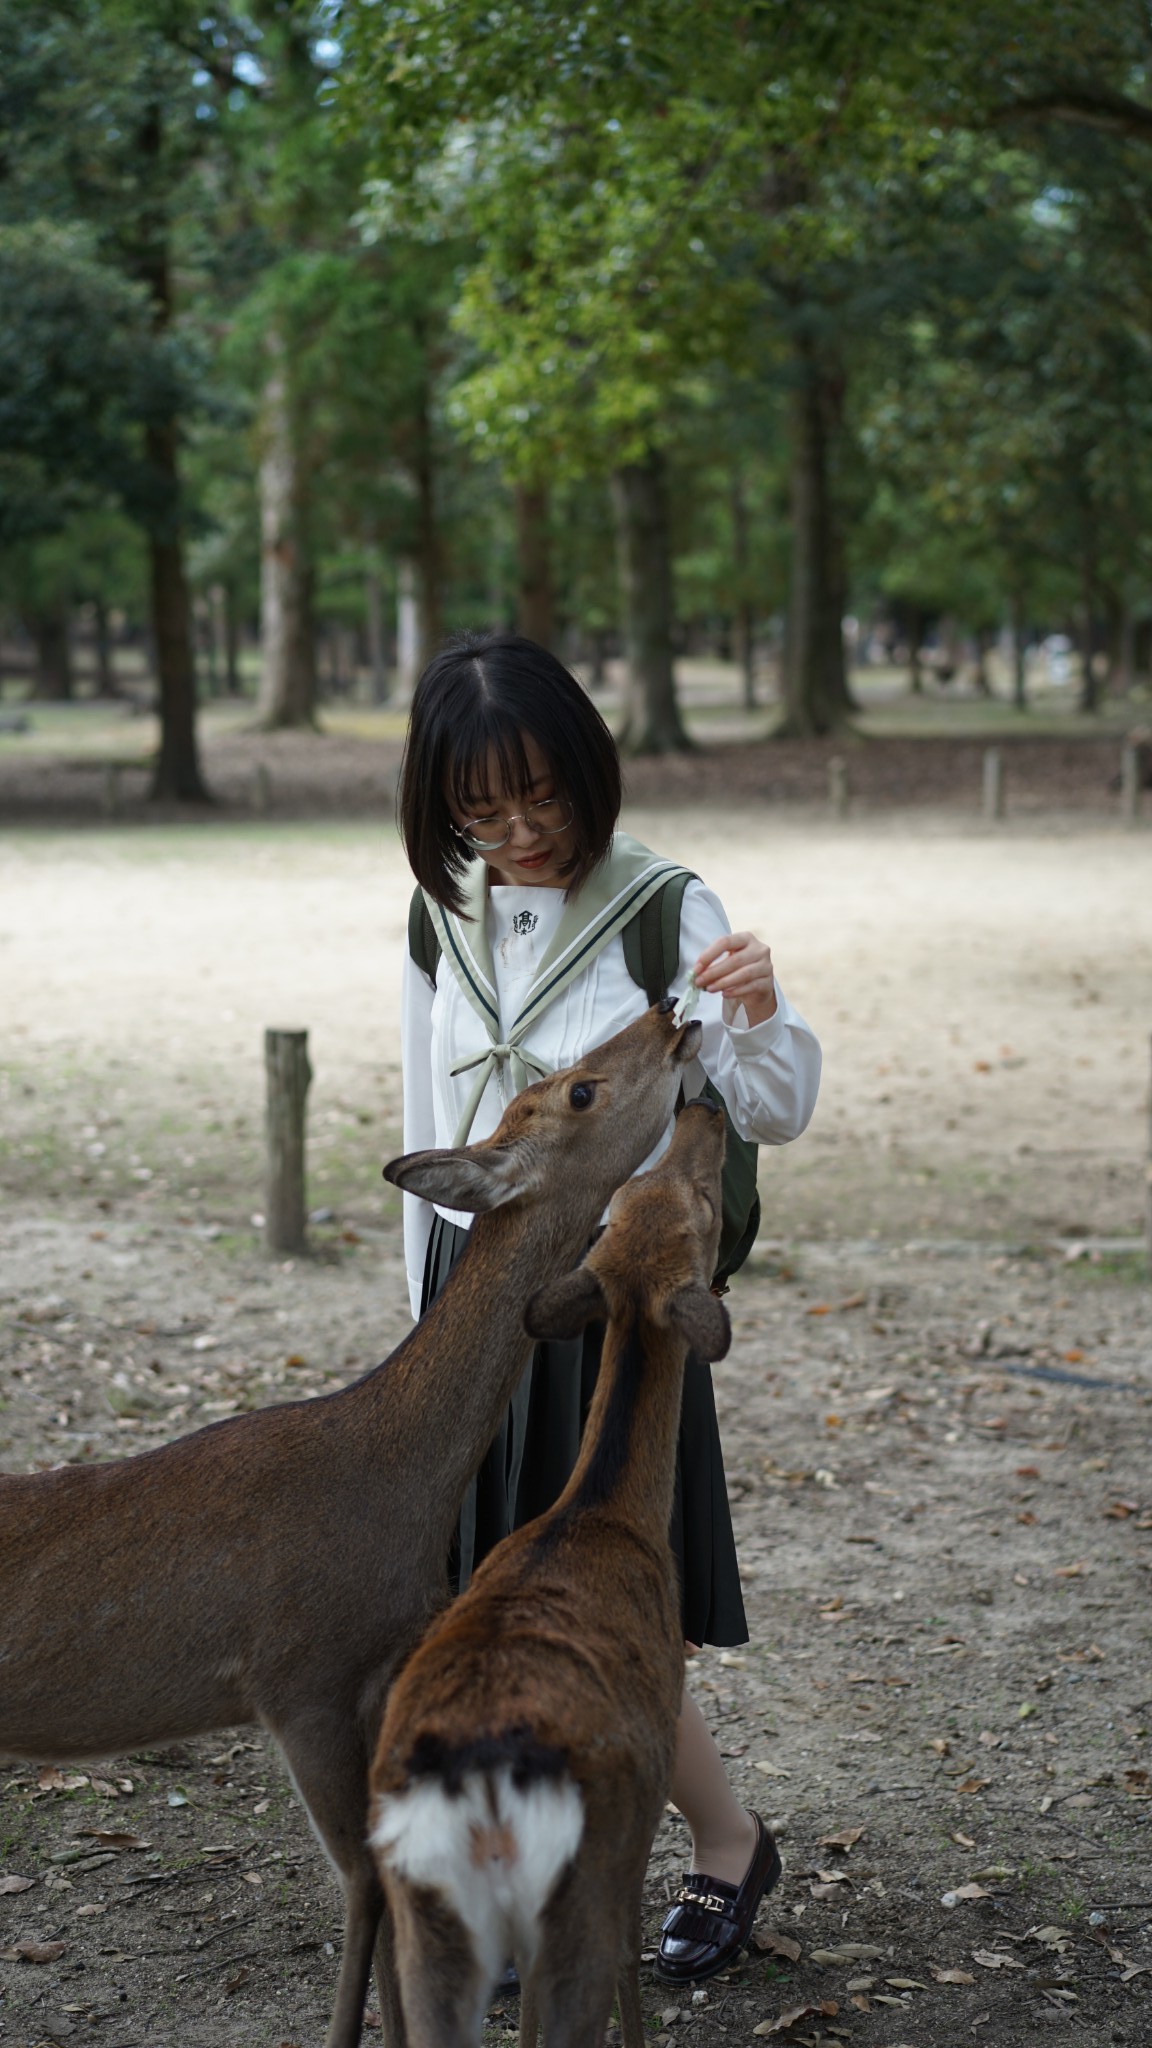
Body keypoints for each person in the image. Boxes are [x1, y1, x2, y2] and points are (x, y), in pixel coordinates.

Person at [397, 631, 821, 1983]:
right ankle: (516, 1878)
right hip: (475, 1311)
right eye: (483, 810)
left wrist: (757, 1013)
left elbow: (774, 1102)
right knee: (479, 1596)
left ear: (592, 772)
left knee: (600, 1600)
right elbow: (431, 1115)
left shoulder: (662, 910)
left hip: (612, 1304)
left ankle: (725, 1843)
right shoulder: (438, 917)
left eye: (544, 799)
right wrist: (421, 1309)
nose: (520, 833)